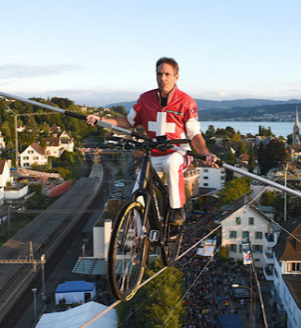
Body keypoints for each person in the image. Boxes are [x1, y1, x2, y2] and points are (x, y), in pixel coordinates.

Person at [86, 57, 218, 226]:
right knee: (138, 189)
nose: (163, 78)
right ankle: (140, 230)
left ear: (176, 76)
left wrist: (205, 153)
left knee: (171, 164)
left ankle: (177, 212)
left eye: (167, 74)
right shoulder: (145, 99)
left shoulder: (186, 102)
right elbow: (128, 122)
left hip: (178, 152)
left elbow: (194, 134)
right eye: (159, 74)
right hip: (153, 153)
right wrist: (100, 119)